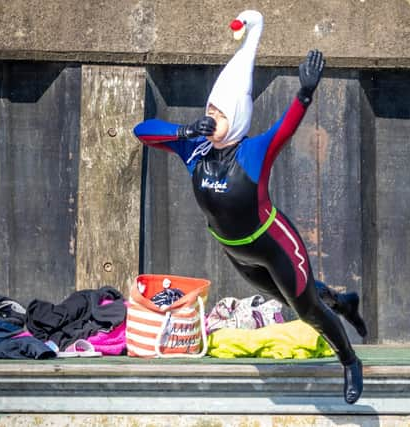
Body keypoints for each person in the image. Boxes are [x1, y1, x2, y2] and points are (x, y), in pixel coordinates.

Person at [133, 11, 365, 405]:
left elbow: (285, 129)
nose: (211, 118)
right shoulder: (195, 149)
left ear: (237, 117)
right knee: (290, 298)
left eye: (219, 114)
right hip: (236, 252)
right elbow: (143, 132)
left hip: (274, 244)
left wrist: (304, 93)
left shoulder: (254, 151)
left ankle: (350, 361)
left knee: (306, 310)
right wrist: (184, 130)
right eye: (210, 110)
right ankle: (342, 301)